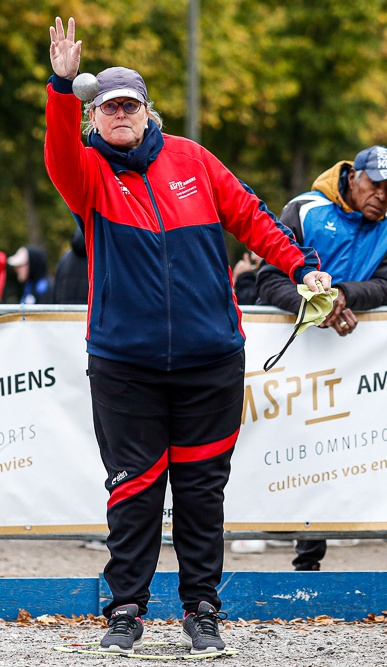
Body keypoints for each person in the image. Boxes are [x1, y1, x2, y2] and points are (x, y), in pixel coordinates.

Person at [46, 17, 331, 655]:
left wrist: (301, 267)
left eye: (129, 106)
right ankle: (125, 609)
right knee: (135, 492)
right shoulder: (88, 173)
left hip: (210, 362)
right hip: (126, 364)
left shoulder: (193, 160)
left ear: (149, 113)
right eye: (106, 109)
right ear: (93, 120)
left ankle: (202, 609)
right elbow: (57, 153)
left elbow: (254, 220)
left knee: (202, 494)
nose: (118, 116)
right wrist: (63, 87)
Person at [256, 147, 387, 571]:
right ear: (352, 176)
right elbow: (268, 277)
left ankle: (311, 556)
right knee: (286, 446)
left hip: (352, 354)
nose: (382, 195)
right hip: (293, 349)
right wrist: (314, 307)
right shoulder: (303, 210)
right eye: (374, 184)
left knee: (337, 448)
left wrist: (341, 295)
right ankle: (251, 539)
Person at [53, 228, 90, 304]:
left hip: (66, 312)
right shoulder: (101, 259)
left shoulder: (64, 258)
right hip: (88, 313)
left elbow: (56, 289)